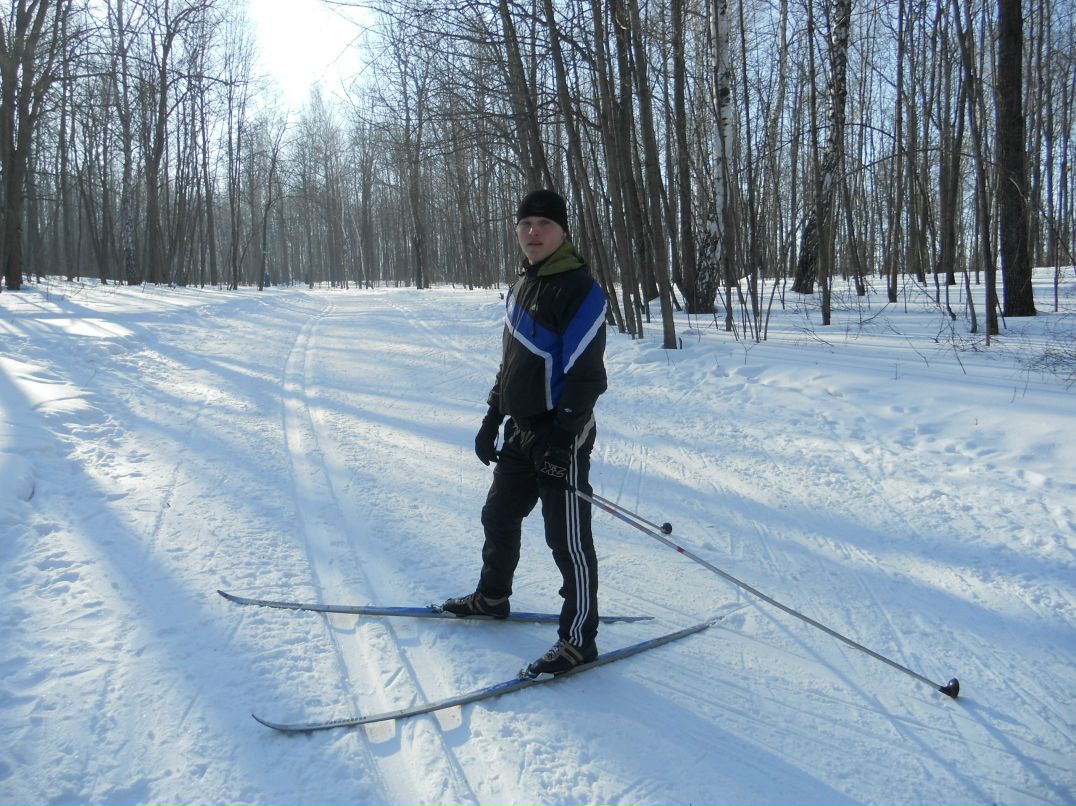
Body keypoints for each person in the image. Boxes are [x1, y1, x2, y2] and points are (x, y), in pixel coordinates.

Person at [443, 189, 608, 677]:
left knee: (567, 540)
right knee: (498, 515)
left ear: (563, 232)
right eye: (525, 223)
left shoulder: (580, 288)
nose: (532, 232)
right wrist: (493, 417)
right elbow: (512, 361)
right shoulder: (523, 282)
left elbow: (587, 377)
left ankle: (579, 640)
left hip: (562, 432)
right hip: (520, 429)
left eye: (544, 224)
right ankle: (493, 598)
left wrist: (561, 439)